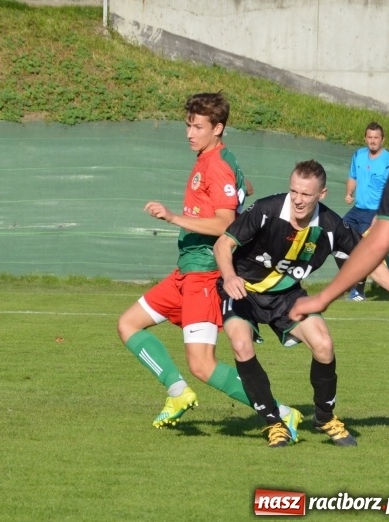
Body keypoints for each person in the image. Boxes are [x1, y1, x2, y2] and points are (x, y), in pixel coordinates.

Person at [117, 92, 297, 431]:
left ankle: (281, 413)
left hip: (204, 274)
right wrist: (239, 190)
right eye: (188, 125)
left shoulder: (216, 164)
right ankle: (177, 391)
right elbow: (238, 191)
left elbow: (226, 224)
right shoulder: (214, 159)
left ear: (218, 127)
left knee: (202, 365)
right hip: (185, 272)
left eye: (198, 127)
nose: (190, 133)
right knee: (128, 324)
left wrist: (173, 217)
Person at [214, 160, 389, 447]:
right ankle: (274, 423)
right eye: (294, 191)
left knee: (323, 344)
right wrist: (229, 276)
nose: (297, 199)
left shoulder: (332, 225)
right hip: (242, 290)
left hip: (287, 296)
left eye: (306, 194)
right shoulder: (266, 209)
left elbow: (369, 259)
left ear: (321, 194)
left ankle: (324, 417)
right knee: (240, 344)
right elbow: (223, 244)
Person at [290, 64, 389, 321]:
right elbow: (373, 244)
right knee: (343, 240)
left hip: (374, 213)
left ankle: (355, 287)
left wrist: (323, 298)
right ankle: (357, 287)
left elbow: (378, 244)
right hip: (359, 210)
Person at [336, 122, 389, 301]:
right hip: (356, 211)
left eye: (376, 138)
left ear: (382, 139)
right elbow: (353, 176)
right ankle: (351, 282)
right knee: (337, 242)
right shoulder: (359, 155)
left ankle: (358, 291)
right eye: (369, 137)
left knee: (360, 251)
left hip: (375, 213)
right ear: (365, 138)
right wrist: (349, 192)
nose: (373, 141)